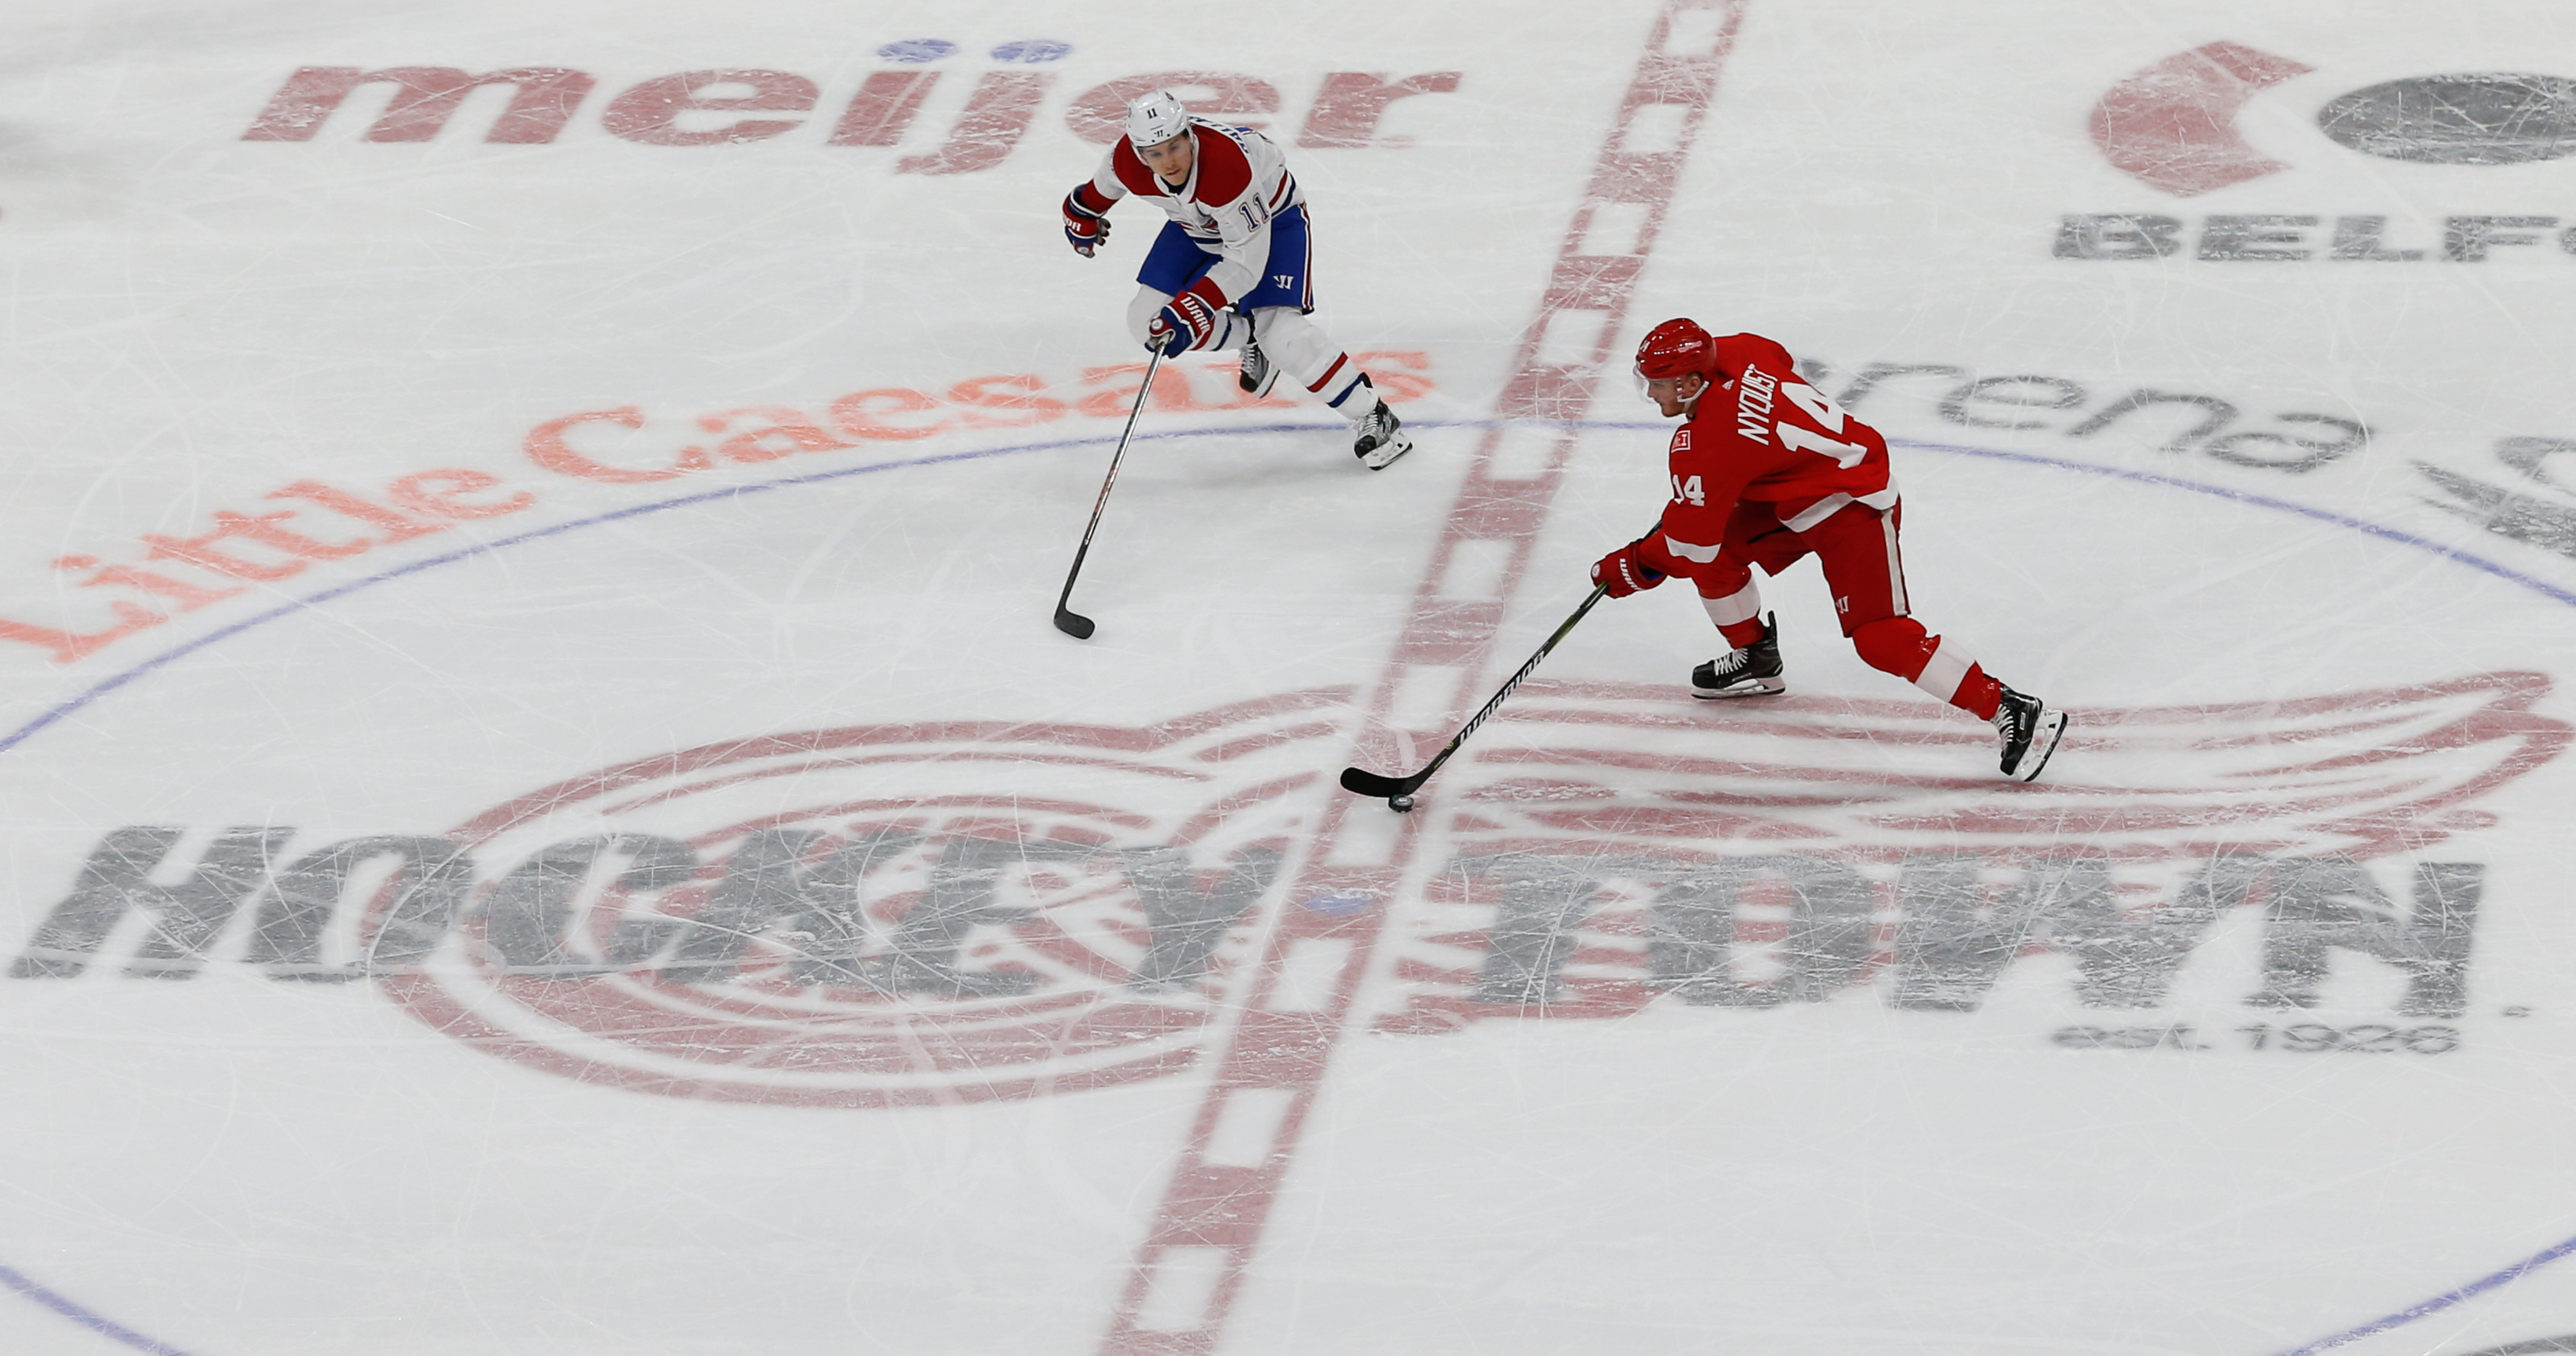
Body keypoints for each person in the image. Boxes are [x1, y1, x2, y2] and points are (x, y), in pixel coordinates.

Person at [1588, 319, 2068, 781]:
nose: (1652, 394)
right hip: (1793, 491)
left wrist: (1633, 566)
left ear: (1693, 381)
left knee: (1879, 637)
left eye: (1661, 383)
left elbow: (1688, 545)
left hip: (1850, 502)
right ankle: (1756, 658)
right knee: (1719, 553)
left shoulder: (1707, 443)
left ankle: (2012, 708)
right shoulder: (1741, 349)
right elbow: (1778, 368)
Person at [1059, 89, 1412, 470]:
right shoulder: (1127, 161)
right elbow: (1097, 193)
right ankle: (1250, 336)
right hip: (1196, 225)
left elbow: (1246, 265)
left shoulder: (1227, 169)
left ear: (1190, 136)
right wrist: (1081, 212)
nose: (1169, 161)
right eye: (1156, 154)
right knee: (1145, 322)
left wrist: (1196, 306)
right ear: (1140, 152)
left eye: (1176, 147)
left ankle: (1374, 414)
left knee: (1282, 335)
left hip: (1272, 222)